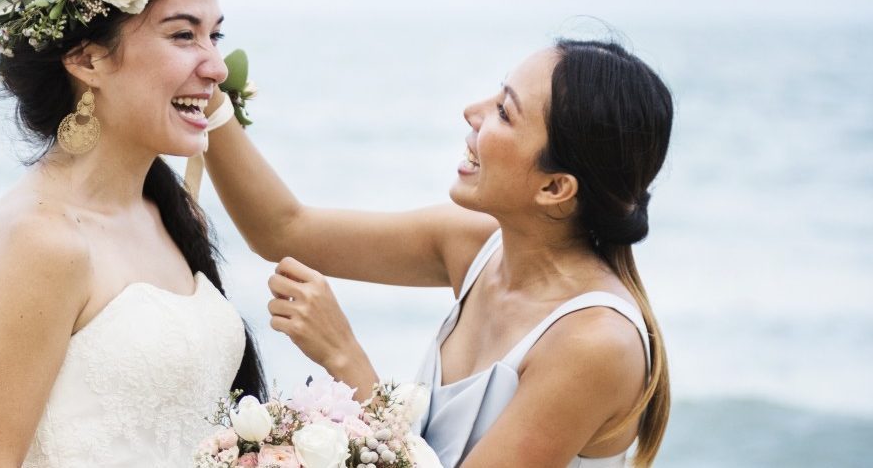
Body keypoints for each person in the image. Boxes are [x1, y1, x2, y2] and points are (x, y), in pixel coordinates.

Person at [203, 40, 672, 467]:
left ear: (554, 187)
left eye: (505, 113)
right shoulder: (474, 244)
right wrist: (206, 94)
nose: (473, 112)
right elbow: (283, 229)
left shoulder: (595, 343)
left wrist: (344, 356)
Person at [0, 0, 264, 468]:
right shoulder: (40, 238)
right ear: (87, 60)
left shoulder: (173, 211)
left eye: (216, 35)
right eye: (183, 35)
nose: (214, 66)